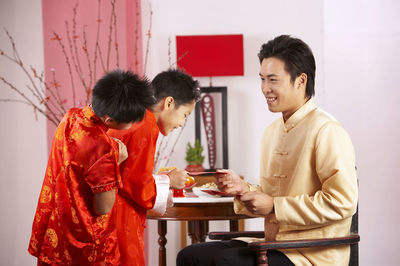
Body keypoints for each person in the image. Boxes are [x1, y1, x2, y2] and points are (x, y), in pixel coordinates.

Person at [177, 35, 358, 266]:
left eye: (272, 80)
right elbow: (271, 193)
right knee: (190, 255)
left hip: (310, 254)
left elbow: (342, 201)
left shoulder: (327, 130)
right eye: (262, 79)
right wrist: (243, 189)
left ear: (301, 81)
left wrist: (274, 206)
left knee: (223, 262)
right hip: (274, 244)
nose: (265, 89)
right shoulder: (272, 132)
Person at [28, 69, 155, 265]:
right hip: (85, 244)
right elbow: (103, 207)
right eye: (131, 121)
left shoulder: (71, 117)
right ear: (110, 120)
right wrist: (115, 161)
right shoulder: (103, 149)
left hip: (57, 230)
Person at [107, 69, 201, 266]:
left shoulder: (135, 115)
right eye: (185, 114)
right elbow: (137, 186)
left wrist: (159, 179)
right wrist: (169, 180)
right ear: (169, 103)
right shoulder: (145, 124)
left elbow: (128, 174)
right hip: (117, 215)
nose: (182, 123)